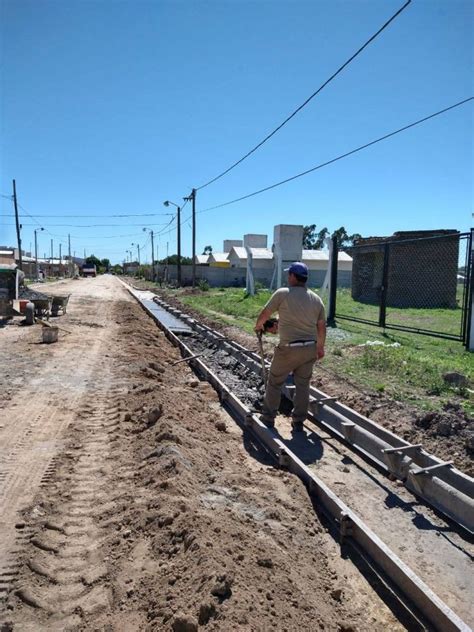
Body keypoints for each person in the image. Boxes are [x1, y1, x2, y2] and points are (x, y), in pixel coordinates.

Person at [254, 262, 326, 432]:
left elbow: (265, 314)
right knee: (303, 385)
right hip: (309, 349)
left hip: (288, 349)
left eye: (289, 275)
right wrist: (320, 348)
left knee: (275, 381)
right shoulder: (316, 299)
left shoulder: (283, 293)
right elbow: (321, 327)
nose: (288, 277)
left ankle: (268, 416)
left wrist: (258, 326)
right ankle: (299, 421)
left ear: (293, 276)